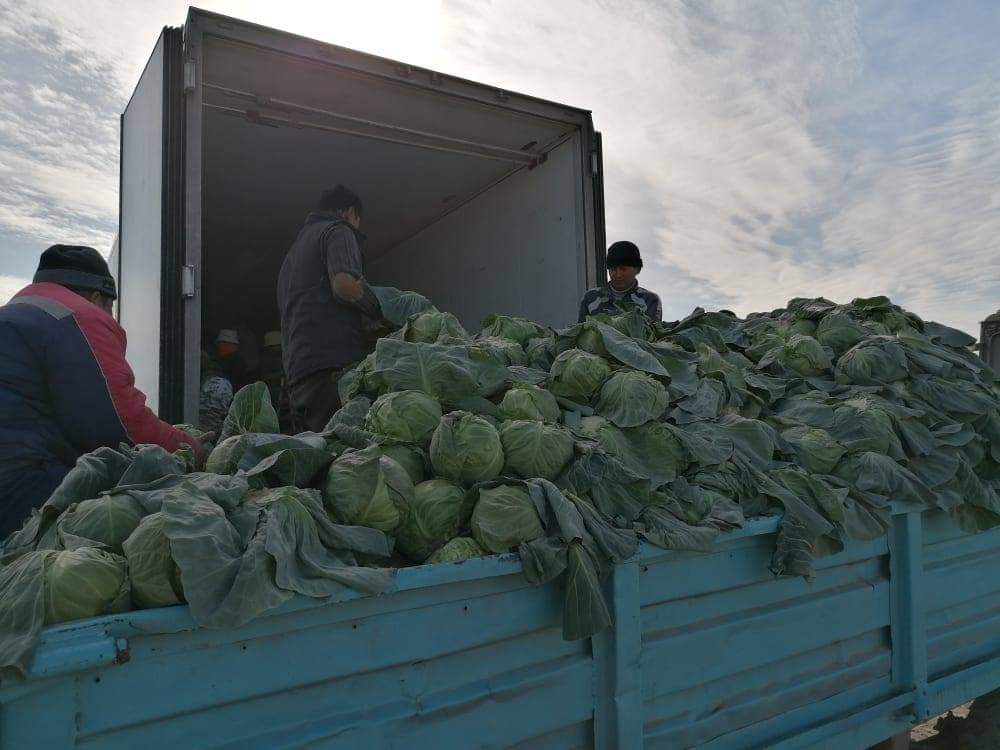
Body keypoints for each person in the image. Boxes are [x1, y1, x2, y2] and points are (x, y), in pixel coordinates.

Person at [0, 245, 204, 536]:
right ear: (96, 296)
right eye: (110, 306)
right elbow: (121, 425)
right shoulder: (76, 316)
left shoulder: (13, 317)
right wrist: (188, 447)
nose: (110, 317)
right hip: (20, 490)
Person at [277, 185, 382, 433]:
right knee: (344, 455)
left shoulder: (291, 256)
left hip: (299, 373)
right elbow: (344, 285)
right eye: (358, 220)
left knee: (319, 454)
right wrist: (379, 307)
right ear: (347, 212)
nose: (357, 227)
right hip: (332, 367)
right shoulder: (338, 230)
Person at [578, 240, 662, 323]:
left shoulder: (650, 300)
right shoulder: (590, 297)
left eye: (623, 269)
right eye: (613, 269)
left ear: (637, 269)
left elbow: (651, 334)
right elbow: (582, 333)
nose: (618, 274)